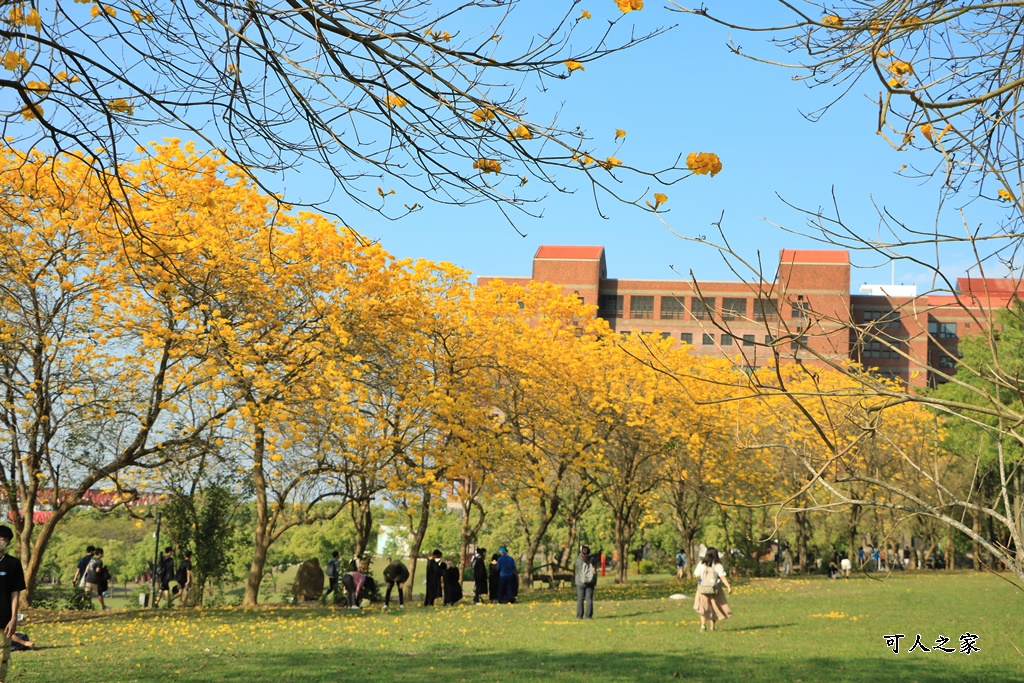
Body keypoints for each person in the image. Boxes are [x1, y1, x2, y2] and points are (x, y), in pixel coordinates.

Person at [0, 526, 25, 683]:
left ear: (8, 543)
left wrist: (13, 618)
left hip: (3, 616)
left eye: (2, 540)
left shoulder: (13, 564)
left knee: (3, 653)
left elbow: (15, 593)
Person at [692, 547, 732, 632]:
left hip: (702, 589)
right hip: (714, 589)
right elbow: (722, 576)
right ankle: (712, 627)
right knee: (713, 607)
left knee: (703, 607)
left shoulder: (701, 564)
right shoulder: (717, 565)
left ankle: (703, 626)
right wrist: (728, 586)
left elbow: (696, 575)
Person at [575, 545, 597, 619]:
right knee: (589, 599)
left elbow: (577, 561)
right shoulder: (592, 560)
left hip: (580, 582)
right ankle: (588, 615)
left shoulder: (579, 560)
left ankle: (579, 615)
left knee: (580, 599)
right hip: (590, 582)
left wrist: (581, 550)